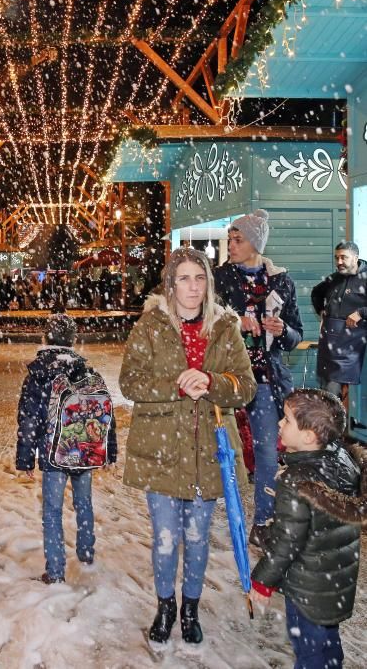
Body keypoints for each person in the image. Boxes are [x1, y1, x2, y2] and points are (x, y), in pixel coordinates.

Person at [120, 247, 256, 644]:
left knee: (197, 538)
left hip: (208, 451)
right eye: (184, 278)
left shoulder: (225, 327)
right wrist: (178, 384)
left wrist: (212, 382)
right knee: (165, 538)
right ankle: (165, 607)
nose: (193, 287)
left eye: (200, 278)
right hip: (161, 449)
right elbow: (130, 383)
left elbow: (244, 386)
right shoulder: (149, 327)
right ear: (170, 284)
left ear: (209, 283)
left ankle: (190, 609)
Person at [249, 388, 361, 669]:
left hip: (306, 591)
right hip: (334, 587)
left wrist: (262, 582)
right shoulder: (344, 461)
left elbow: (287, 543)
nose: (279, 424)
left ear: (309, 437)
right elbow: (317, 526)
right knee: (328, 647)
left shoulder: (297, 481)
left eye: (287, 420)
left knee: (309, 654)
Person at [213, 209, 303, 545]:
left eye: (238, 239)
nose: (232, 245)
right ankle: (205, 509)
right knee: (219, 448)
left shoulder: (281, 280)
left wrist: (282, 331)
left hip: (265, 378)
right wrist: (234, 321)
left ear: (255, 243)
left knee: (267, 451)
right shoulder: (219, 278)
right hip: (226, 376)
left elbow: (296, 333)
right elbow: (208, 319)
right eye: (230, 239)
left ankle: (263, 520)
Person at [16, 314, 118, 584]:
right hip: (84, 450)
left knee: (52, 510)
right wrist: (109, 451)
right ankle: (86, 553)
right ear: (73, 340)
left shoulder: (39, 373)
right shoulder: (86, 371)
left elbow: (29, 418)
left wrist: (25, 457)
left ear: (45, 338)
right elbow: (106, 412)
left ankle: (56, 570)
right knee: (83, 503)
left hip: (54, 454)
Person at [310, 241, 367, 403]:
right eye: (337, 258)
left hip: (354, 347)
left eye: (344, 257)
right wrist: (321, 310)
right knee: (327, 394)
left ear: (355, 258)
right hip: (330, 345)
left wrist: (361, 312)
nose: (339, 262)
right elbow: (316, 292)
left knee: (341, 397)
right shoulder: (334, 279)